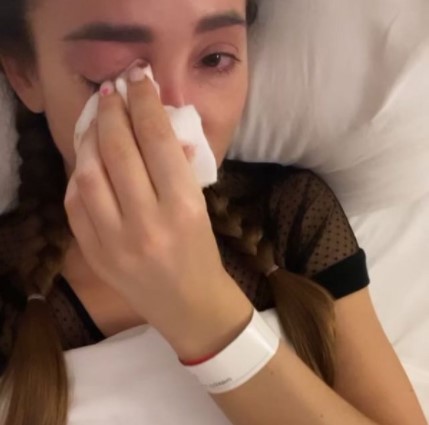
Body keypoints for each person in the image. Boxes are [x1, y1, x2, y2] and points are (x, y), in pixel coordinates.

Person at [0, 0, 426, 424]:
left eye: (215, 59)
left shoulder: (287, 213)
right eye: (115, 71)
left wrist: (204, 316)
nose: (174, 113)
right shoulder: (10, 285)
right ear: (23, 73)